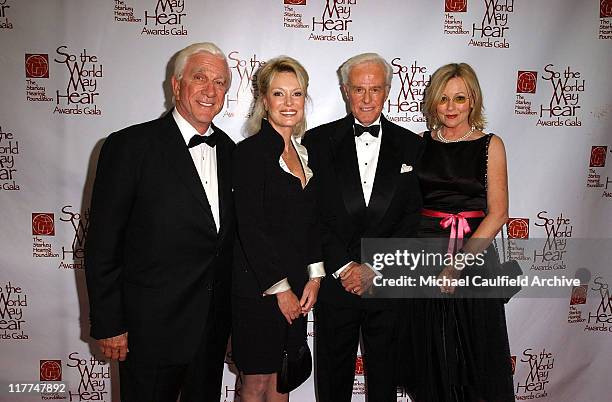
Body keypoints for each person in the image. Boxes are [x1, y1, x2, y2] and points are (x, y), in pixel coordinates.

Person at [85, 42, 235, 402]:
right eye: (200, 78)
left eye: (220, 82)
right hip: (148, 330)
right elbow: (103, 243)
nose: (210, 90)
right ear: (176, 84)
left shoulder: (231, 151)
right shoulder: (129, 146)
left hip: (211, 331)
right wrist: (110, 324)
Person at [302, 53, 424, 402]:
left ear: (387, 91)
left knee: (385, 378)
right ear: (345, 91)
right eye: (359, 89)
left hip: (386, 282)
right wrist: (345, 267)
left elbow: (412, 216)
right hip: (336, 282)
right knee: (333, 377)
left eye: (375, 89)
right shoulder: (317, 142)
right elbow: (313, 216)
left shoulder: (412, 145)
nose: (367, 99)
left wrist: (376, 266)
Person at [399, 62, 515, 402]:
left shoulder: (490, 145)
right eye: (444, 98)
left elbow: (499, 214)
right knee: (431, 356)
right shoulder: (419, 143)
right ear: (433, 101)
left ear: (473, 101)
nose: (451, 107)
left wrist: (458, 264)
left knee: (474, 355)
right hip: (424, 258)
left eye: (460, 98)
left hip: (472, 260)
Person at [231, 56, 325, 402]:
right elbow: (250, 228)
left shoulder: (305, 154)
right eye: (279, 94)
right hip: (260, 288)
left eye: (296, 94)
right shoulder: (249, 153)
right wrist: (279, 289)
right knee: (256, 383)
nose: (288, 103)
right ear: (264, 101)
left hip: (298, 288)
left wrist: (315, 277)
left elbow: (313, 222)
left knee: (283, 380)